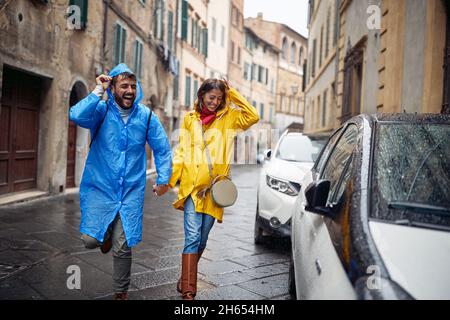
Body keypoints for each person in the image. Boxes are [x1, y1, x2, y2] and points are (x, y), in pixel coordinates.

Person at [69, 63, 172, 300]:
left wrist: (164, 179)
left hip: (131, 191)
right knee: (89, 240)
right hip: (100, 187)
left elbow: (162, 149)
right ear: (113, 87)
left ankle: (120, 293)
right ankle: (103, 235)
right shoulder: (101, 111)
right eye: (124, 85)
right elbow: (76, 115)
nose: (129, 90)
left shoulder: (146, 116)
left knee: (123, 247)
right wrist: (98, 90)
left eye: (133, 86)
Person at [169, 79, 259, 300]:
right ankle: (189, 290)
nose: (215, 102)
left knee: (202, 239)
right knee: (191, 237)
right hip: (192, 188)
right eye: (212, 97)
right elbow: (182, 150)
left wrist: (232, 92)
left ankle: (185, 277)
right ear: (202, 95)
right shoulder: (190, 118)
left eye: (219, 98)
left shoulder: (228, 118)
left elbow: (253, 116)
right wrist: (169, 181)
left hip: (214, 190)